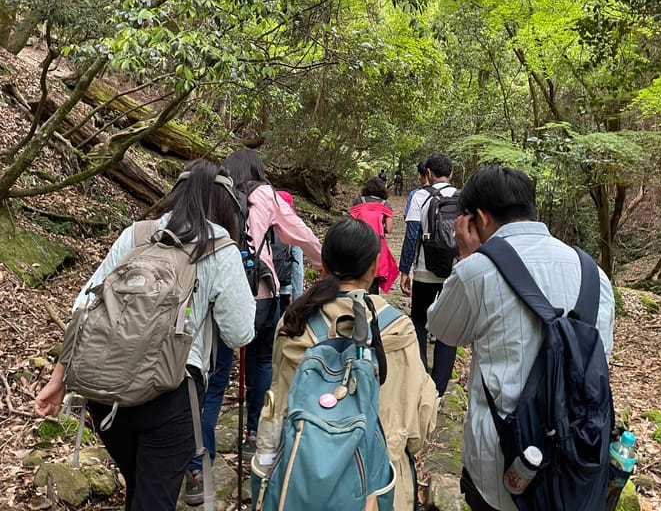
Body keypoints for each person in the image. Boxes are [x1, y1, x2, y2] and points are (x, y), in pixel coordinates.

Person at [34, 160, 257, 511]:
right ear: (226, 203)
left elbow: (83, 308)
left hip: (106, 391)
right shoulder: (219, 248)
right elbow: (240, 333)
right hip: (172, 394)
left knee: (141, 484)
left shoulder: (137, 235)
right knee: (154, 496)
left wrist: (59, 379)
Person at [426, 165, 616, 511]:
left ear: (478, 218)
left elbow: (442, 330)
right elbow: (601, 356)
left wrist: (465, 260)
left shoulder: (477, 270)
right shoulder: (594, 273)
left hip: (501, 464)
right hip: (578, 463)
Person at [260, 218, 439, 511]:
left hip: (300, 480)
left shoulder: (295, 321)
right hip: (380, 485)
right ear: (373, 268)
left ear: (325, 265)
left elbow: (277, 405)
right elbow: (419, 425)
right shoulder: (398, 329)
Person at [185, 149, 322, 504]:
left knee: (214, 376)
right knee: (262, 362)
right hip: (261, 291)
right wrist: (326, 261)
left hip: (217, 291)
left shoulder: (216, 192)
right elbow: (297, 233)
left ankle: (199, 463)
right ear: (258, 170)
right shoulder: (265, 194)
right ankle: (252, 435)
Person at [398, 152, 458, 396]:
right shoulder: (462, 197)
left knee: (420, 322)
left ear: (429, 174)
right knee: (449, 328)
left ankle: (421, 379)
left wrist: (405, 270)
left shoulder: (420, 196)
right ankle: (439, 390)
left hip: (424, 270)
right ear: (451, 174)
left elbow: (412, 235)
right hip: (454, 273)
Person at [349, 177, 399, 294]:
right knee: (374, 278)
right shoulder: (386, 205)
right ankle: (373, 306)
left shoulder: (358, 202)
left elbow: (352, 224)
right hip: (377, 246)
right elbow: (389, 229)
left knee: (357, 278)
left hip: (359, 244)